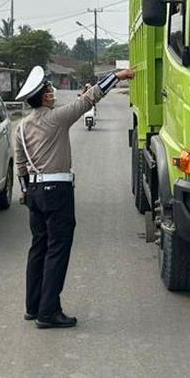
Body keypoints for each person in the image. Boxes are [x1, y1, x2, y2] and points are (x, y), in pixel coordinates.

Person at [14, 65, 134, 329]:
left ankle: (33, 307)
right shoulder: (56, 118)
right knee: (58, 249)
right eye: (49, 89)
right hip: (57, 192)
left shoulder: (21, 127)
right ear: (45, 97)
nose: (52, 92)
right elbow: (89, 100)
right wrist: (116, 76)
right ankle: (49, 312)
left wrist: (26, 192)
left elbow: (21, 165)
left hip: (34, 192)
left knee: (38, 248)